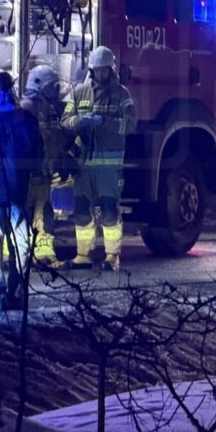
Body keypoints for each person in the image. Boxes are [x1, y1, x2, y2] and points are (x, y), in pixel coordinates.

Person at [62, 46, 136, 271]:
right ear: (91, 70)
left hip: (109, 166)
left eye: (105, 70)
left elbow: (130, 124)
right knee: (82, 210)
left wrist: (106, 123)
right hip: (84, 165)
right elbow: (66, 121)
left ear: (110, 70)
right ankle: (84, 254)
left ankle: (112, 256)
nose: (101, 74)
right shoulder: (79, 92)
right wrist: (81, 122)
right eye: (97, 70)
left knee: (109, 212)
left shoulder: (121, 94)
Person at [0, 70, 41, 311]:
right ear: (10, 90)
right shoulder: (25, 118)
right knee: (22, 245)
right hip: (18, 192)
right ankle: (16, 291)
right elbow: (36, 154)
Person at [20, 65, 68, 269]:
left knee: (44, 215)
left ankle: (44, 255)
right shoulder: (27, 108)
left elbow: (55, 140)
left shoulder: (48, 109)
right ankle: (18, 257)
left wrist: (60, 162)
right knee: (24, 215)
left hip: (44, 174)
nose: (54, 92)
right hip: (30, 175)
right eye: (51, 87)